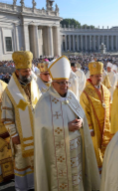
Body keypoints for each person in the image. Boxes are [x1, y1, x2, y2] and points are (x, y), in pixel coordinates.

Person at [34, 56, 100, 191]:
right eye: (60, 83)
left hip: (76, 150)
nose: (65, 86)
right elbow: (42, 129)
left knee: (77, 178)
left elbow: (81, 115)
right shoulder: (44, 101)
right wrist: (65, 127)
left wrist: (81, 121)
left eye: (66, 82)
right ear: (53, 83)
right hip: (56, 154)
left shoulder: (71, 96)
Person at [1, 51, 41, 191]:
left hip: (37, 132)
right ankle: (23, 187)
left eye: (29, 70)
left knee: (38, 160)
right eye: (25, 71)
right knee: (22, 161)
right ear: (17, 72)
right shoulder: (9, 92)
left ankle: (37, 183)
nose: (28, 74)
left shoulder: (34, 85)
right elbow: (6, 116)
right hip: (21, 135)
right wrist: (13, 134)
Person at [80, 61, 112, 171]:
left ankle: (106, 169)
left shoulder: (106, 90)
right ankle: (97, 173)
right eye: (96, 76)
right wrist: (89, 128)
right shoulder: (86, 92)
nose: (99, 78)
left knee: (107, 149)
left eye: (100, 76)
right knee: (95, 149)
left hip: (106, 125)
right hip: (93, 127)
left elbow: (109, 106)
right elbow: (84, 111)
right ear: (91, 77)